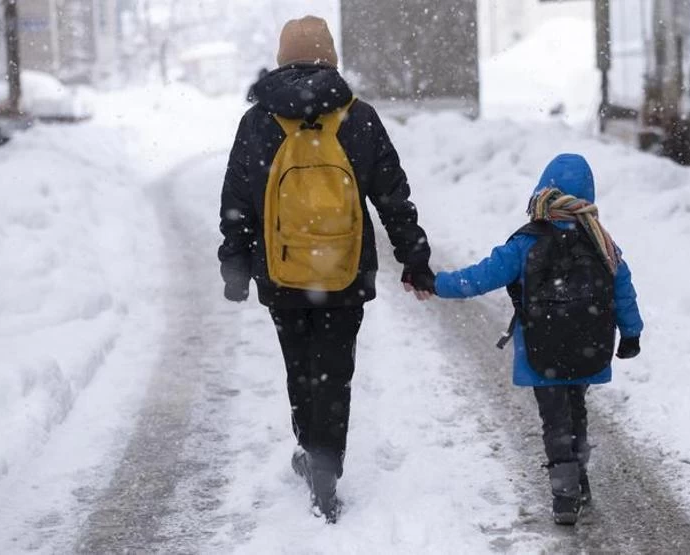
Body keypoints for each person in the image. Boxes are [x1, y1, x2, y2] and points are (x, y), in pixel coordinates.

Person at [217, 15, 435, 523]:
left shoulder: (257, 123)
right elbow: (393, 197)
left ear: (281, 57)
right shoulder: (358, 117)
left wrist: (235, 265)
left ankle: (308, 447)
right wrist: (414, 257)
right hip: (344, 272)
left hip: (282, 271)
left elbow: (237, 202)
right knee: (335, 372)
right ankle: (326, 466)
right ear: (330, 58)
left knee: (300, 368)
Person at [433, 153, 644, 525]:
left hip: (541, 350)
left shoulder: (526, 243)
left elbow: (480, 277)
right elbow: (623, 290)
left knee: (554, 418)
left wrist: (436, 284)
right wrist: (631, 334)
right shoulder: (601, 243)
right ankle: (578, 478)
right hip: (587, 347)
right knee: (576, 410)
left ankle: (565, 495)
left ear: (543, 190)